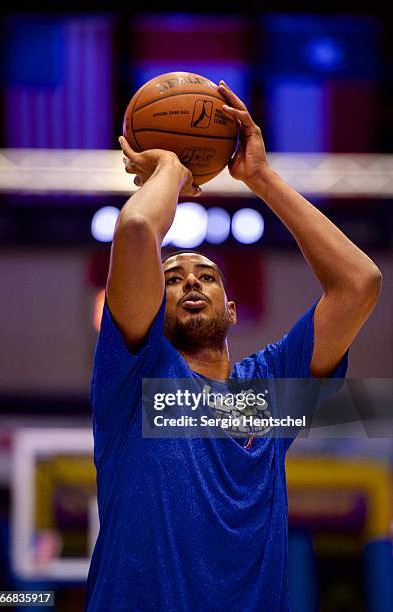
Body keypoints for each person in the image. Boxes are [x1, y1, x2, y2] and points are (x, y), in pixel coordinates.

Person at [85, 80, 382, 611]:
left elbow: (360, 282)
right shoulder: (134, 375)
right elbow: (135, 229)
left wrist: (261, 178)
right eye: (173, 279)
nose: (192, 282)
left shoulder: (268, 393)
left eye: (207, 276)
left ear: (232, 309)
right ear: (155, 305)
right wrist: (173, 172)